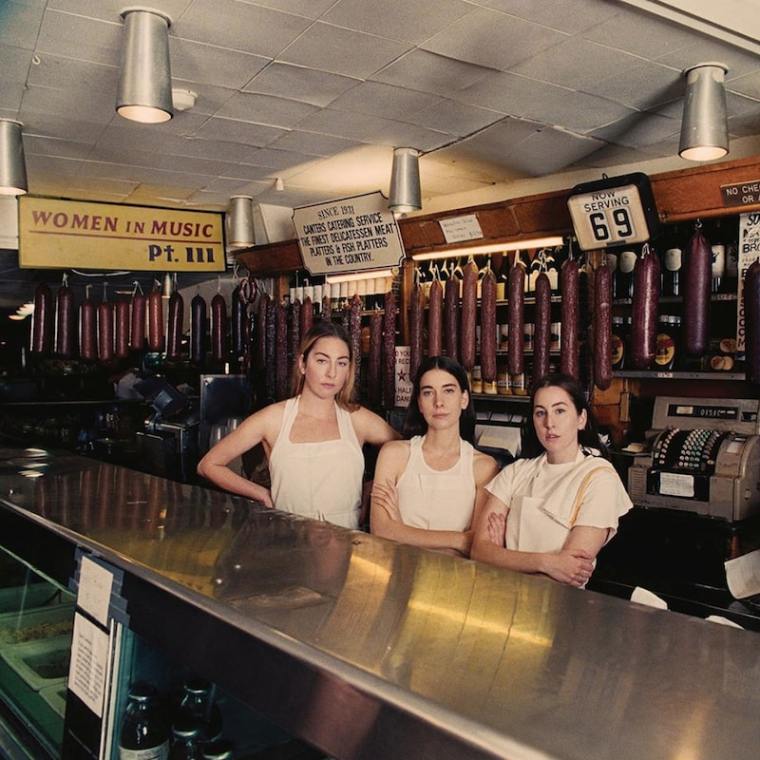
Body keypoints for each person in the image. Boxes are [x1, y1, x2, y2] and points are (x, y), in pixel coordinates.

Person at [197, 321, 398, 528]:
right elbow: (209, 465)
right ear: (302, 364)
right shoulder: (272, 419)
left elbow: (409, 453)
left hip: (347, 539)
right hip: (288, 538)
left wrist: (373, 487)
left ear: (349, 371)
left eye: (341, 363)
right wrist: (261, 494)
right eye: (322, 361)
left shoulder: (358, 419)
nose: (332, 373)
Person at [470, 373, 631, 587]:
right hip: (502, 600)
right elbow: (479, 551)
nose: (549, 423)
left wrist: (502, 558)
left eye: (560, 411)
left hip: (560, 603)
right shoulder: (516, 472)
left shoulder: (599, 478)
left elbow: (570, 573)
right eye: (540, 413)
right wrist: (547, 562)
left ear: (581, 418)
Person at [370, 356, 499, 556]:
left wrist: (400, 529)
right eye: (428, 392)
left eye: (448, 391)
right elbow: (381, 530)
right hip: (398, 570)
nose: (439, 402)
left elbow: (477, 547)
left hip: (456, 574)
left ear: (464, 399)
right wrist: (460, 539)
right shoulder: (393, 454)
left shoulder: (483, 466)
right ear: (420, 404)